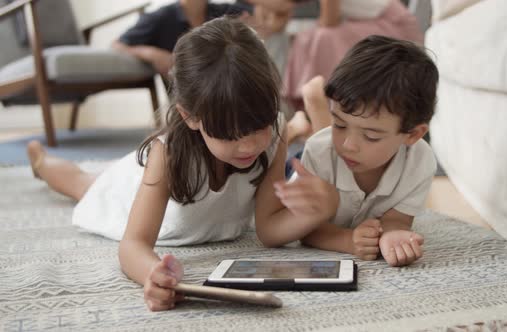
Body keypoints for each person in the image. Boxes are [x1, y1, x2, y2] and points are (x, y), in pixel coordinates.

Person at [26, 18, 287, 311]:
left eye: (259, 126)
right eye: (231, 134)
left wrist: (317, 210)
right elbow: (133, 245)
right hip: (131, 193)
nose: (250, 145)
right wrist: (153, 274)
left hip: (157, 174)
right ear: (190, 116)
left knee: (92, 178)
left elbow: (269, 227)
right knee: (83, 184)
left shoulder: (276, 128)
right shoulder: (168, 154)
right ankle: (41, 160)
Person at [260, 35, 439, 267]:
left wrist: (393, 235)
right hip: (299, 165)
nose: (349, 144)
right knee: (315, 145)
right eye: (340, 124)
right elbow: (305, 228)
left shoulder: (420, 161)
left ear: (413, 135)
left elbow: (397, 219)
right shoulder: (319, 151)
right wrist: (347, 241)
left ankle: (318, 113)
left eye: (371, 136)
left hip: (327, 152)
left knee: (332, 138)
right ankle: (310, 112)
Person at [282, 0, 424, 106]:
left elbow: (329, 20)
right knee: (309, 37)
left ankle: (324, 101)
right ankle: (315, 102)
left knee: (322, 38)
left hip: (392, 25)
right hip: (372, 22)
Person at [112, 0, 251, 76]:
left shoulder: (224, 12)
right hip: (188, 97)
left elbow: (261, 14)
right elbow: (117, 45)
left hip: (228, 88)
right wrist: (151, 53)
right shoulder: (161, 17)